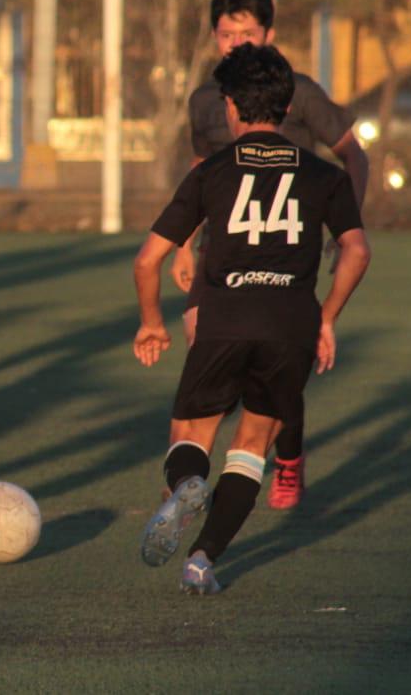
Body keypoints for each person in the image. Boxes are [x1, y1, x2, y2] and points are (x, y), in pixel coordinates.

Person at [133, 44, 370, 594]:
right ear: (287, 110)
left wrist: (151, 323)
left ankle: (189, 484)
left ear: (233, 107)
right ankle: (201, 561)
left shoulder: (211, 172)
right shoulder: (322, 175)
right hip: (290, 324)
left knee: (192, 435)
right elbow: (357, 251)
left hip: (224, 318)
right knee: (253, 444)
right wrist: (327, 316)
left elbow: (148, 259)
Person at [176, 0, 369, 510]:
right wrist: (183, 244)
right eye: (226, 32)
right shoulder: (204, 100)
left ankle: (285, 453)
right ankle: (196, 471)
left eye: (248, 32)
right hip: (224, 245)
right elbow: (199, 169)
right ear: (213, 35)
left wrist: (343, 225)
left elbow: (354, 154)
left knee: (281, 354)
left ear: (270, 33)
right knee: (202, 340)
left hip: (287, 245)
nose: (237, 42)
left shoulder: (299, 91)